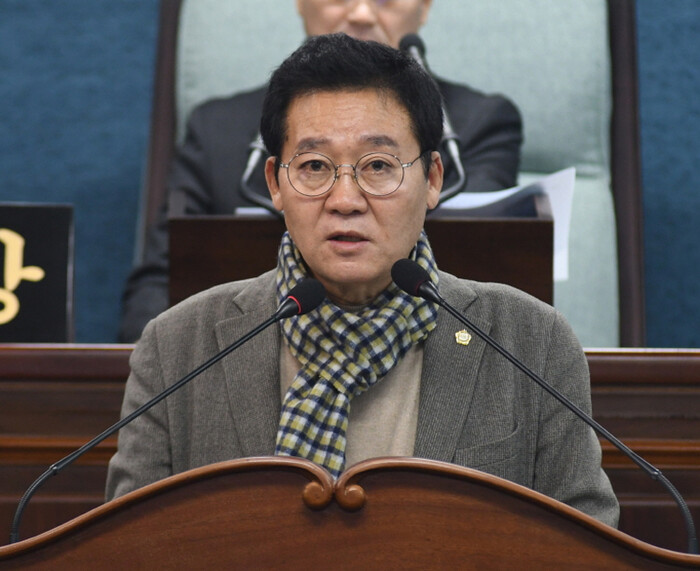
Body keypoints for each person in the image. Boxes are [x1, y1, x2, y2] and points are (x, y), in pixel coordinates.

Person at [106, 33, 618, 528]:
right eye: (314, 166)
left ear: (433, 179)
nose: (345, 200)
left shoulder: (531, 343)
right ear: (275, 184)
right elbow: (127, 550)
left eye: (377, 166)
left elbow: (588, 545)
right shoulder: (177, 349)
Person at [117, 0, 523, 343]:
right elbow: (158, 285)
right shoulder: (216, 129)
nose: (362, 13)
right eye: (313, 165)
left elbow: (482, 266)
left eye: (379, 165)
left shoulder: (476, 124)